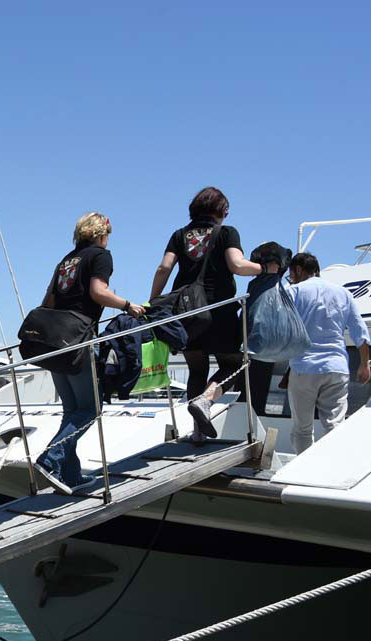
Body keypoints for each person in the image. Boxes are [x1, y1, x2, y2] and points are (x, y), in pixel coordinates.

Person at [33, 212, 145, 494]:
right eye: (108, 233)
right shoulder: (100, 255)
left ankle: (70, 476)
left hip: (56, 339)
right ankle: (50, 460)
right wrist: (127, 305)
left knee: (72, 410)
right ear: (100, 233)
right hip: (80, 338)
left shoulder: (65, 261)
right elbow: (98, 291)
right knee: (91, 409)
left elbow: (49, 301)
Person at [150, 187, 262, 440]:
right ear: (221, 210)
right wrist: (266, 268)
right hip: (218, 310)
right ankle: (206, 401)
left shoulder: (179, 235)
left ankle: (197, 433)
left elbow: (163, 268)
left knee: (197, 370)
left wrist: (153, 301)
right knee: (235, 365)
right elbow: (237, 265)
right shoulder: (227, 232)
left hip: (188, 313)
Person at [286, 252, 371, 454]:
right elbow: (360, 331)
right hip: (337, 368)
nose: (291, 278)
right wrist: (365, 364)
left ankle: (302, 472)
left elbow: (281, 327)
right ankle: (332, 471)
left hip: (304, 367)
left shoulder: (294, 291)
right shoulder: (343, 293)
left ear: (298, 270)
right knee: (335, 426)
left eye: (291, 274)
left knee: (302, 429)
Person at [243, 242, 293, 419]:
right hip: (269, 349)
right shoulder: (279, 289)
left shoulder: (256, 286)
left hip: (253, 349)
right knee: (256, 392)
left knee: (249, 395)